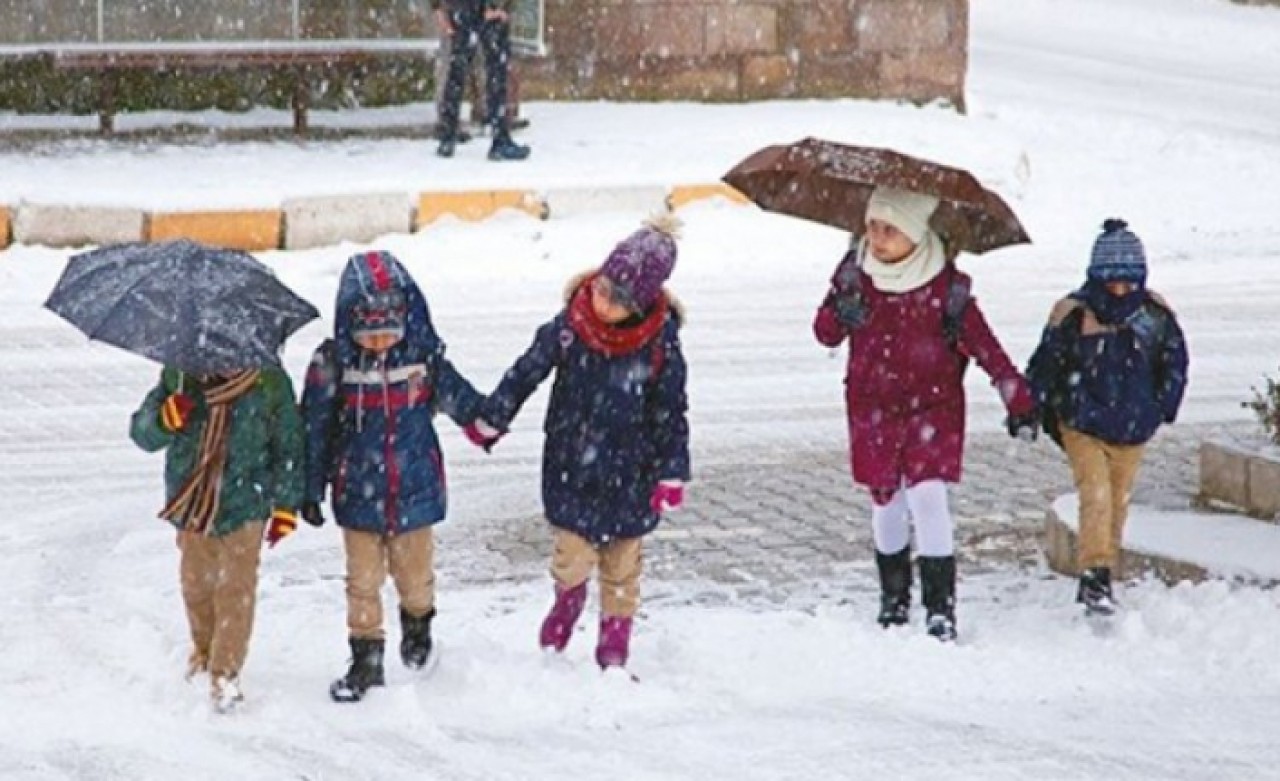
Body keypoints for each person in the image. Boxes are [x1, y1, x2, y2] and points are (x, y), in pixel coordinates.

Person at [812, 187, 1037, 642]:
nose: (876, 237)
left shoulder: (948, 290)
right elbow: (825, 334)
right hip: (873, 408)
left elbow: (988, 349)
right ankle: (893, 601)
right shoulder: (856, 276)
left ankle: (940, 608)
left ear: (916, 234)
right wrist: (841, 309)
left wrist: (1019, 401)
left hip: (933, 408)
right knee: (887, 501)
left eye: (889, 229)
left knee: (929, 497)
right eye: (872, 226)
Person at [465, 215, 690, 669]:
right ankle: (567, 604)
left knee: (623, 568)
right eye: (604, 288)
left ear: (643, 304)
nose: (604, 303)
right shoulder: (570, 326)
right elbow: (526, 371)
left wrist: (671, 471)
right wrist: (492, 419)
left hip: (634, 471)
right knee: (572, 557)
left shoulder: (659, 345)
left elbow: (671, 412)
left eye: (620, 300)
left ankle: (614, 642)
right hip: (573, 464)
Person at [301, 250, 485, 703]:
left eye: (388, 333)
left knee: (415, 577)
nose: (380, 343)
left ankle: (417, 624)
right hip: (356, 492)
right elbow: (314, 428)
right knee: (361, 582)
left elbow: (465, 402)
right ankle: (366, 659)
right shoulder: (334, 364)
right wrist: (308, 487)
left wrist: (488, 421)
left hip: (415, 488)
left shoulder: (423, 359)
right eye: (370, 335)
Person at [1026, 219, 1188, 615]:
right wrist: (1031, 406)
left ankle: (1104, 570)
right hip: (1082, 422)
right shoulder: (1073, 314)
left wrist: (1162, 406)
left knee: (1116, 500)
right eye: (1111, 281)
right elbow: (1046, 365)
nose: (1119, 290)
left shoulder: (1154, 316)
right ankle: (1094, 574)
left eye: (1127, 282)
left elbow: (1174, 363)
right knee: (1095, 494)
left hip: (1133, 426)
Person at [129, 366, 303, 711]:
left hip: (246, 503)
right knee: (196, 584)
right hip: (194, 500)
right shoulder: (180, 377)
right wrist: (164, 419)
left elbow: (289, 444)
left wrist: (286, 504)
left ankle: (226, 672)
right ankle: (204, 651)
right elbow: (141, 432)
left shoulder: (268, 382)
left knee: (236, 589)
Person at [431, 0, 530, 161]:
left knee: (458, 70)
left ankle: (448, 135)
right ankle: (500, 138)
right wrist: (492, 6)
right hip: (479, 9)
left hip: (459, 8)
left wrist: (437, 7)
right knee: (496, 70)